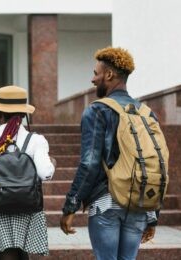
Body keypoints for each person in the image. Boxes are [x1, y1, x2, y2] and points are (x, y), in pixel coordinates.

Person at [60, 47, 158, 260]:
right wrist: (153, 215)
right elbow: (155, 162)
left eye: (96, 73)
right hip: (139, 203)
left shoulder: (97, 111)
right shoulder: (146, 113)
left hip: (106, 202)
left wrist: (70, 207)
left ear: (109, 74)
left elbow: (90, 163)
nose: (93, 79)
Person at [0, 86, 56, 260]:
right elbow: (46, 174)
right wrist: (53, 163)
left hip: (0, 207)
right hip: (29, 208)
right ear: (24, 115)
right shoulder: (36, 141)